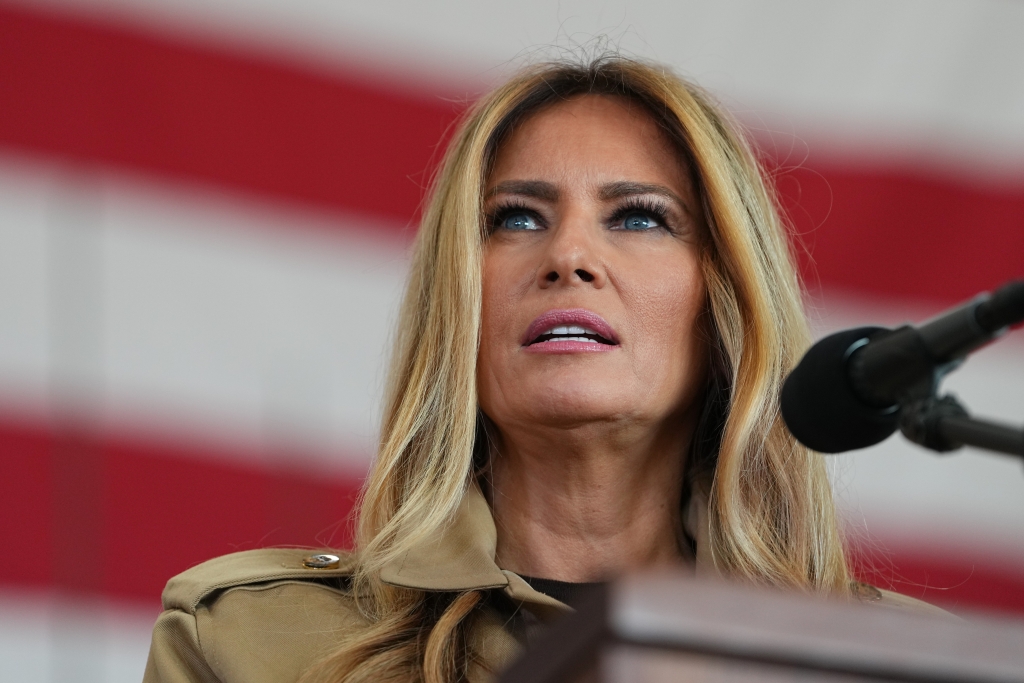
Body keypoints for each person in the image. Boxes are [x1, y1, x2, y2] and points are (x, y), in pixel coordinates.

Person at [143, 55, 942, 683]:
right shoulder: (246, 642)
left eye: (639, 217)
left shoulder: (897, 663)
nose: (568, 255)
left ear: (726, 300)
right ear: (459, 301)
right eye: (516, 218)